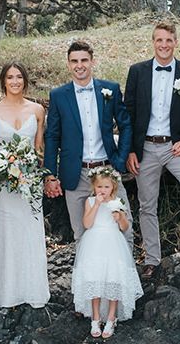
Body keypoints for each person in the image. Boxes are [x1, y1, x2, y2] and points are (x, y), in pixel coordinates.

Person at [125, 20, 180, 280]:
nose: (164, 45)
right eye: (159, 40)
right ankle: (152, 258)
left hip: (175, 147)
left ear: (176, 43)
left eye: (168, 40)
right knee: (147, 204)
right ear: (153, 42)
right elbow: (128, 113)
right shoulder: (137, 71)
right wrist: (130, 150)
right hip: (146, 148)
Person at [44, 41, 133, 246]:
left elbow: (126, 125)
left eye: (84, 60)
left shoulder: (110, 90)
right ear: (68, 64)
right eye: (74, 61)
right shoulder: (58, 96)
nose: (79, 65)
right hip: (76, 174)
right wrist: (50, 174)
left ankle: (124, 277)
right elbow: (52, 136)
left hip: (107, 169)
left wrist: (119, 160)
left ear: (92, 62)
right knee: (82, 234)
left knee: (123, 228)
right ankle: (86, 279)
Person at [0, 62, 50, 308]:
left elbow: (39, 147)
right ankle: (5, 290)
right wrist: (4, 168)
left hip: (29, 180)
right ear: (3, 81)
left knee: (30, 229)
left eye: (19, 76)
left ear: (25, 80)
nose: (15, 81)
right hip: (4, 182)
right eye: (10, 77)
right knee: (7, 230)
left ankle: (32, 288)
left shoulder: (38, 109)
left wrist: (33, 171)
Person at [71, 168, 143, 338]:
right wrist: (96, 204)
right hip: (94, 242)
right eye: (99, 187)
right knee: (94, 278)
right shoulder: (90, 202)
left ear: (113, 187)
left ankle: (111, 317)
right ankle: (95, 317)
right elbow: (87, 224)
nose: (102, 190)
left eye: (106, 187)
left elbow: (125, 228)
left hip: (113, 242)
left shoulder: (118, 202)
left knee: (113, 278)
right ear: (94, 188)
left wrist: (121, 218)